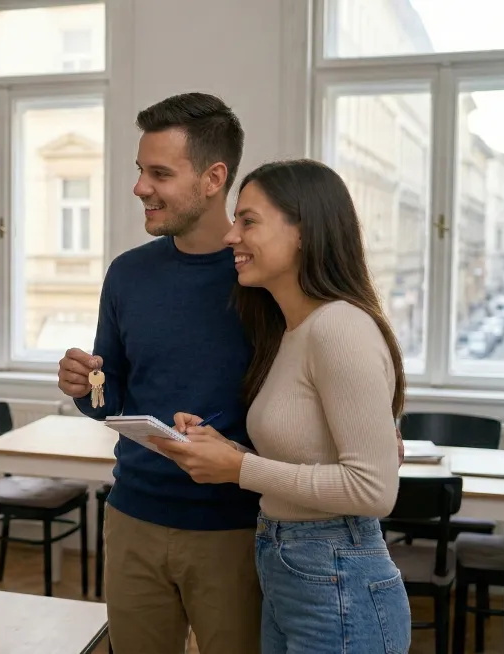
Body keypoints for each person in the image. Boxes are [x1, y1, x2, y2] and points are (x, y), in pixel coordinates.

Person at [151, 159, 413, 653]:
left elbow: (374, 490)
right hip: (292, 567)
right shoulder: (292, 331)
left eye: (249, 220)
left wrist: (238, 467)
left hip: (336, 575)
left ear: (303, 232)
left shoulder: (339, 327)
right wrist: (222, 450)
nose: (231, 236)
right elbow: (307, 457)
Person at [56, 92, 262, 653]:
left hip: (237, 529)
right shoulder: (127, 274)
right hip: (132, 519)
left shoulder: (261, 278)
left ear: (213, 177)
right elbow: (111, 393)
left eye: (159, 173)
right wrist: (83, 387)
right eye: (140, 171)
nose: (140, 187)